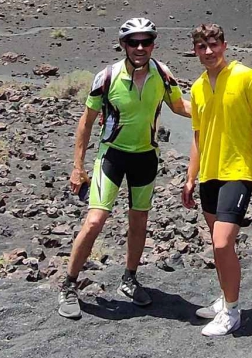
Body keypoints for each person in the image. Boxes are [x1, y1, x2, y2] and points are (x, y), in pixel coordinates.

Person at [58, 17, 190, 320]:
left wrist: (217, 112)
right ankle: (69, 285)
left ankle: (129, 279)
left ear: (153, 44)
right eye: (134, 42)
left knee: (139, 220)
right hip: (112, 156)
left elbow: (179, 106)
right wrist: (77, 167)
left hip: (146, 157)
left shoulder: (163, 74)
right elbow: (86, 122)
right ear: (123, 45)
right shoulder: (107, 77)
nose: (140, 48)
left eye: (146, 41)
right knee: (95, 220)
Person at [181, 22, 252, 337]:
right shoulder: (197, 88)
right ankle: (225, 298)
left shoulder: (246, 76)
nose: (208, 52)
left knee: (222, 242)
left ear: (224, 45)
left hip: (238, 171)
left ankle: (232, 312)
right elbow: (198, 136)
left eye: (213, 45)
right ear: (195, 51)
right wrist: (190, 177)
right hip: (209, 173)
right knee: (218, 244)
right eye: (202, 47)